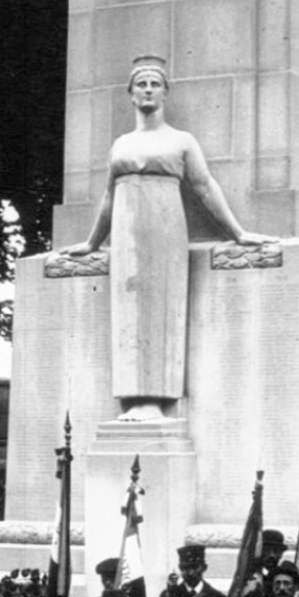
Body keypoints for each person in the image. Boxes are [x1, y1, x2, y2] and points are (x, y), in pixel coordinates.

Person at [60, 55, 276, 421]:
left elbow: (205, 186)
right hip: (126, 234)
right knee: (129, 314)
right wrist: (93, 243)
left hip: (164, 227)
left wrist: (237, 232)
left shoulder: (181, 141)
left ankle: (154, 401)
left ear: (165, 92)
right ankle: (133, 398)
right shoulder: (121, 144)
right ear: (130, 94)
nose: (147, 90)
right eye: (140, 84)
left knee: (160, 310)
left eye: (154, 84)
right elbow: (110, 195)